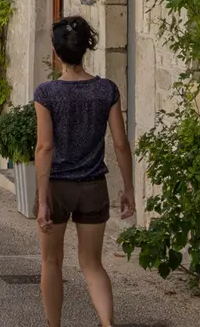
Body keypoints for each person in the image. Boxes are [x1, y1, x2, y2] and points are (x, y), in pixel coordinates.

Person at [33, 16, 134, 327]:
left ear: (56, 51)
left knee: (51, 262)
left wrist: (42, 199)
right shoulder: (106, 90)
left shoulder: (47, 93)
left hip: (58, 187)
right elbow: (119, 143)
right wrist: (129, 189)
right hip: (93, 187)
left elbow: (45, 148)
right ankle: (107, 323)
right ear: (85, 48)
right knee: (92, 265)